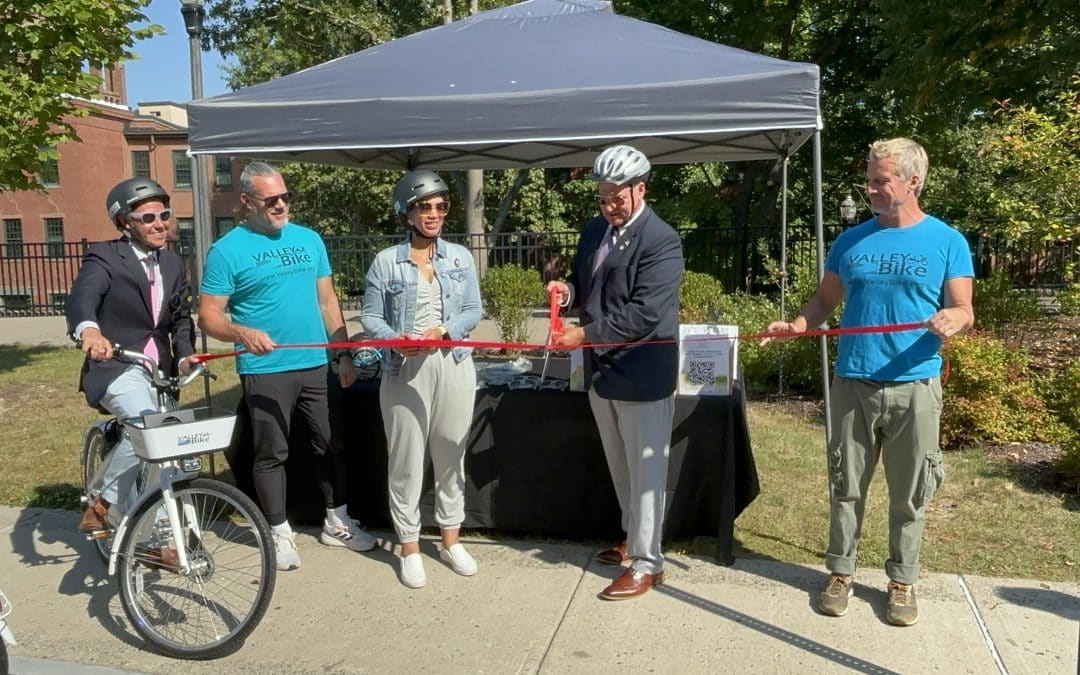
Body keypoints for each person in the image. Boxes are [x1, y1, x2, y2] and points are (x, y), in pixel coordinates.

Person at [761, 138, 974, 626]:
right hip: (853, 381)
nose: (872, 188)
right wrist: (797, 325)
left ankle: (902, 580)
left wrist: (953, 319)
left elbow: (964, 307)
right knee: (846, 484)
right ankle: (840, 571)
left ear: (912, 181)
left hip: (915, 385)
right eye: (871, 179)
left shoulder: (948, 241)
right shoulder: (851, 241)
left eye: (882, 180)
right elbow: (823, 303)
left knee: (911, 491)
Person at [198, 161, 376, 572]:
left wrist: (343, 353)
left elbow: (329, 302)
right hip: (266, 367)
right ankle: (278, 532)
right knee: (272, 452)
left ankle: (338, 520)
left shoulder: (309, 239)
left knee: (331, 442)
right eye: (271, 199)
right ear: (246, 201)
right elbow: (209, 316)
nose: (281, 205)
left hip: (316, 363)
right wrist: (242, 333)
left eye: (285, 196)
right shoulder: (227, 251)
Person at [547, 145, 684, 601]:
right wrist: (564, 291)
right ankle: (633, 539)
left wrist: (584, 335)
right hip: (602, 374)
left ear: (641, 189)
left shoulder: (661, 239)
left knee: (647, 472)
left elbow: (645, 314)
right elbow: (586, 284)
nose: (609, 207)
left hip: (642, 373)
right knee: (620, 465)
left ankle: (650, 562)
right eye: (602, 198)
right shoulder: (594, 229)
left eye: (617, 199)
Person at [360, 170, 483, 589]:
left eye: (440, 206)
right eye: (424, 206)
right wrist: (395, 341)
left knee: (451, 451)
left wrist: (446, 330)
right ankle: (410, 546)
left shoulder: (460, 258)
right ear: (406, 212)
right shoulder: (385, 261)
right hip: (404, 369)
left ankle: (451, 539)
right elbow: (371, 317)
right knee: (407, 459)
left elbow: (473, 309)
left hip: (452, 362)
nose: (433, 214)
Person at [66, 177, 196, 533]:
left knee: (169, 449)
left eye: (164, 215)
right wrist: (89, 331)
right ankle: (104, 502)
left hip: (160, 371)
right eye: (148, 217)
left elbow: (181, 318)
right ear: (125, 222)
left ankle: (160, 541)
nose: (160, 224)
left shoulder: (171, 262)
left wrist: (185, 355)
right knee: (146, 424)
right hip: (116, 365)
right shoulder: (106, 256)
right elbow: (83, 297)